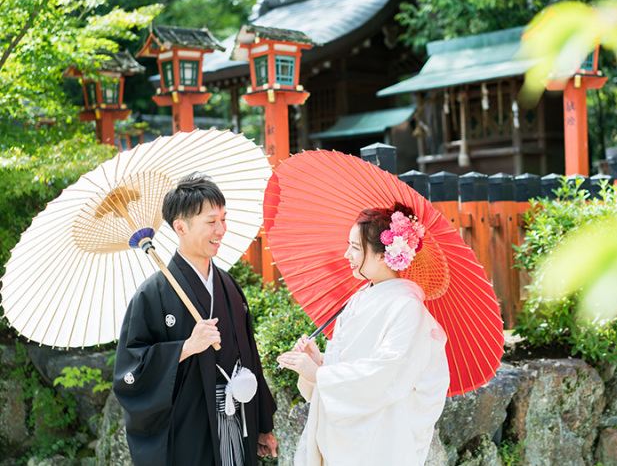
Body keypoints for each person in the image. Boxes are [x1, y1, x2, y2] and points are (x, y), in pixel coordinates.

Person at [113, 173, 278, 466]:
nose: (221, 230)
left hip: (239, 419)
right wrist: (185, 348)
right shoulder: (152, 295)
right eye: (211, 222)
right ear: (181, 227)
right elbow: (130, 371)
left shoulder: (228, 286)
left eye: (224, 220)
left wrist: (262, 424)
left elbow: (250, 356)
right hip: (190, 429)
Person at [277, 203, 449, 466]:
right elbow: (353, 363)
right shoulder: (360, 298)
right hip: (346, 434)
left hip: (380, 440)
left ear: (385, 255)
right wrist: (320, 361)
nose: (347, 254)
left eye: (355, 248)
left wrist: (320, 375)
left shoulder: (407, 307)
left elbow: (387, 376)